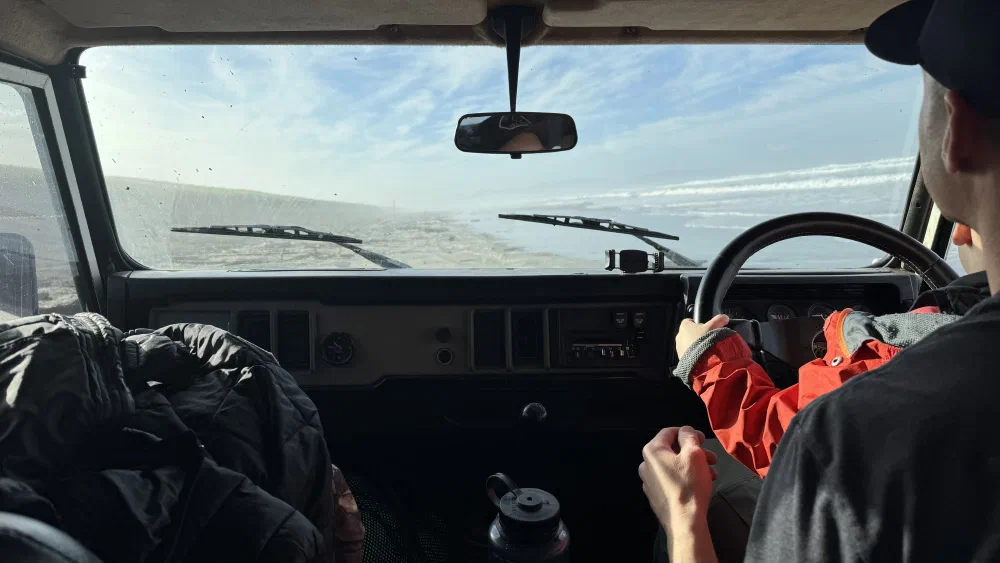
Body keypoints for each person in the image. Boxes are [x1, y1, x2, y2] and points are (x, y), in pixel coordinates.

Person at [640, 0, 1000, 561]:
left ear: (960, 131)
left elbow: (771, 432)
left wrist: (683, 518)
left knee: (705, 484)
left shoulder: (845, 433)